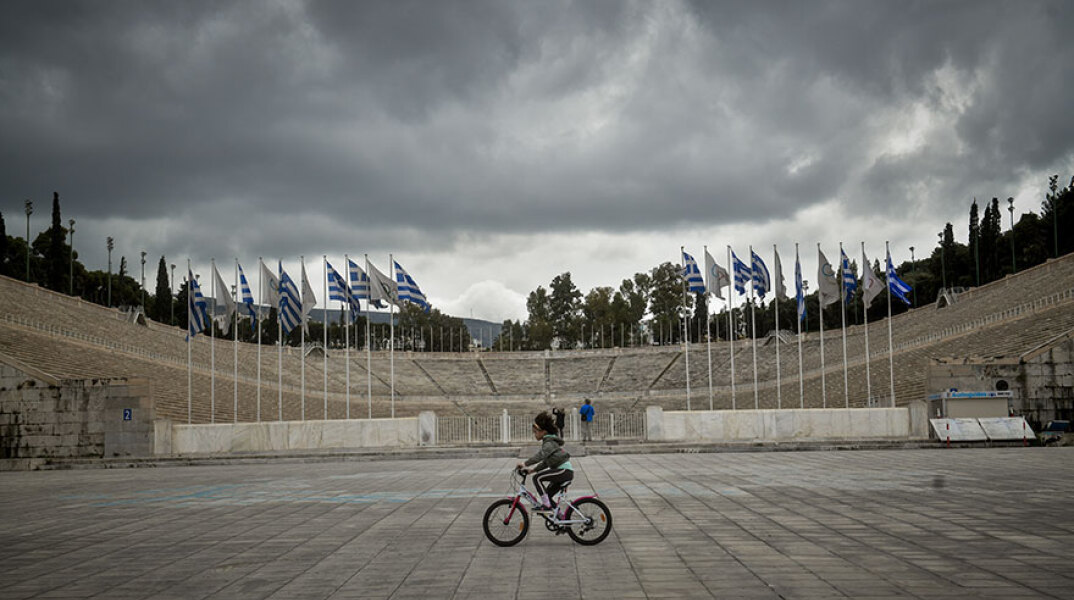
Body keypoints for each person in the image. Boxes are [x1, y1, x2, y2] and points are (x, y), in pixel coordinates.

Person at [516, 412, 573, 512]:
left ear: (543, 432)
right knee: (548, 495)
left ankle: (546, 505)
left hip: (563, 471)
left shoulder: (549, 442)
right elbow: (546, 462)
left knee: (537, 478)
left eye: (536, 432)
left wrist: (524, 464)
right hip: (563, 472)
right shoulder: (548, 442)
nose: (535, 434)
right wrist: (533, 470)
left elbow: (541, 456)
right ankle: (559, 517)